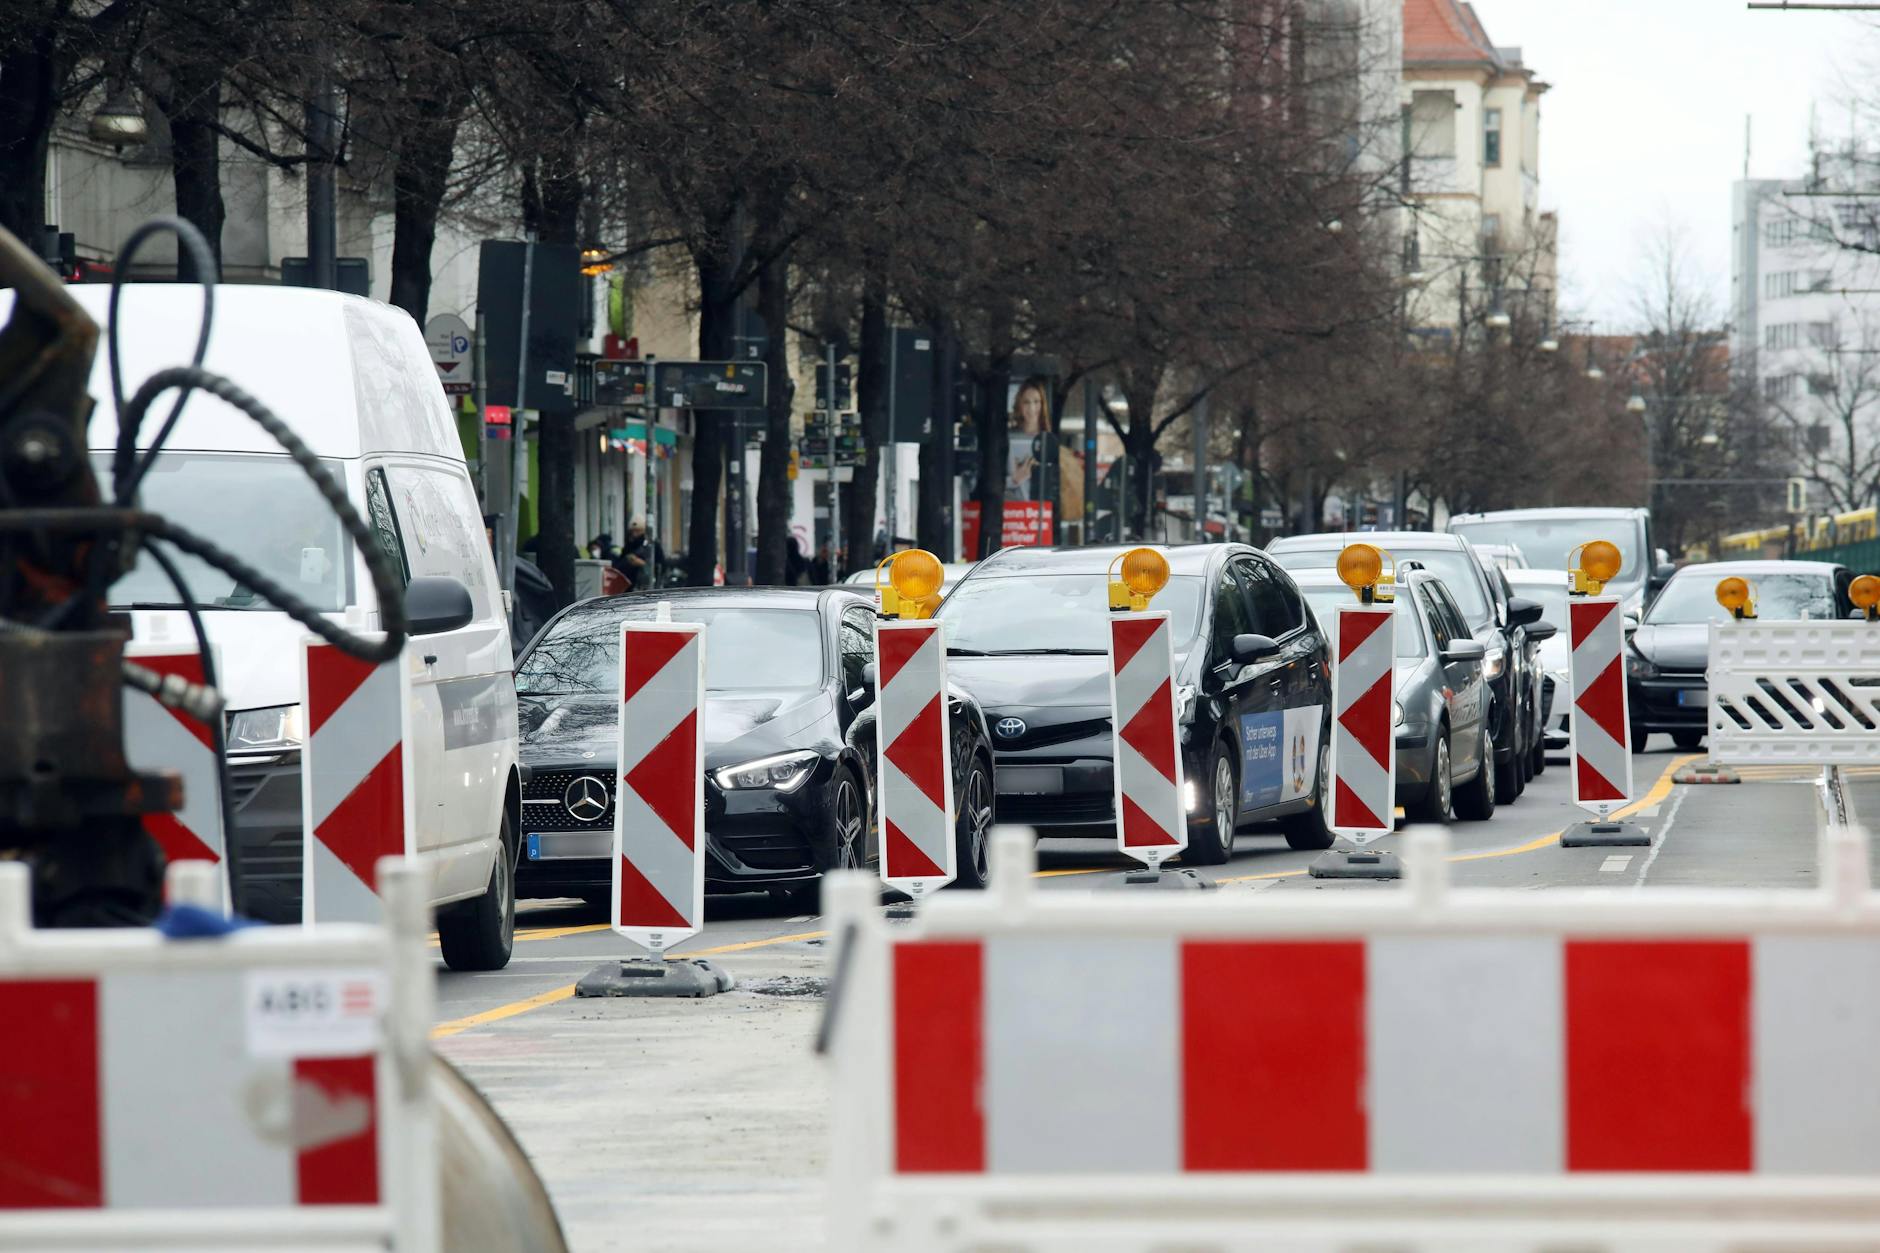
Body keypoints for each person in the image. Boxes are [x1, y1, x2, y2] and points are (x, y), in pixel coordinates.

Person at [1005, 379, 1050, 501]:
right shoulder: (1009, 439)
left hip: (1044, 513)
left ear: (1043, 404)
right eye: (1026, 402)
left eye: (1036, 402)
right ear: (1019, 405)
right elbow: (994, 483)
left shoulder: (1049, 440)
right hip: (1017, 513)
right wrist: (1015, 479)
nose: (1032, 408)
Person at [612, 519, 663, 590]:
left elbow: (659, 565)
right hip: (630, 584)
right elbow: (620, 564)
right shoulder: (629, 545)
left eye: (638, 531)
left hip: (647, 584)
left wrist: (643, 564)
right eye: (633, 531)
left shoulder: (653, 546)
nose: (635, 533)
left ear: (644, 531)